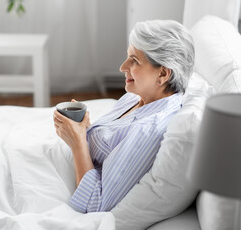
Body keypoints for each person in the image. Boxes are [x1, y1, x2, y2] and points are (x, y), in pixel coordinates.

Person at [53, 19, 195, 213]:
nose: (122, 67)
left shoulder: (148, 131)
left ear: (163, 74)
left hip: (60, 185)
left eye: (134, 60)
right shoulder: (135, 98)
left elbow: (96, 204)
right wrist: (82, 129)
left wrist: (78, 144)